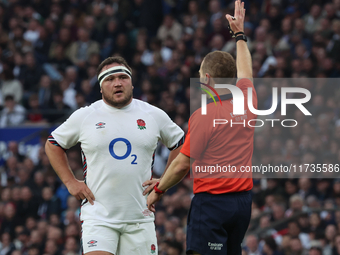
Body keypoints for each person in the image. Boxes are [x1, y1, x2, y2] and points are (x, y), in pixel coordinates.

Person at [45, 56, 185, 255]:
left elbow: (180, 144)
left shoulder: (153, 114)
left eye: (122, 77)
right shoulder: (86, 116)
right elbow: (53, 144)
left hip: (140, 217)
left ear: (131, 83)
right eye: (109, 79)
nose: (117, 83)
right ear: (101, 87)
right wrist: (70, 182)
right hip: (98, 216)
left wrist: (164, 182)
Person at [147, 1, 257, 254]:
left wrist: (159, 189)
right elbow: (246, 70)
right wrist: (240, 36)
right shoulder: (248, 99)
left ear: (206, 79)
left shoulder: (204, 115)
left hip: (212, 205)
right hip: (242, 203)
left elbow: (182, 164)